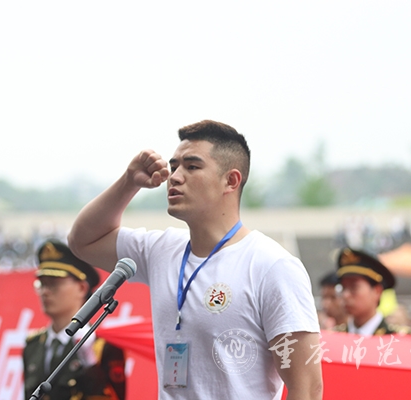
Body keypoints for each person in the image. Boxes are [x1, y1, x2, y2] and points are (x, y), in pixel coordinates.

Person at [68, 120, 322, 399]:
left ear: (231, 180)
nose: (175, 177)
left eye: (192, 167)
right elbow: (82, 241)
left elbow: (307, 389)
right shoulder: (160, 249)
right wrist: (129, 182)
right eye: (174, 166)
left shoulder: (272, 266)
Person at [23, 240, 126, 400]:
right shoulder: (33, 346)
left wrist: (90, 364)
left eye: (54, 284)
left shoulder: (102, 346)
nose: (45, 292)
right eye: (42, 284)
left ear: (82, 288)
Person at [333, 247, 411, 336]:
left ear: (377, 291)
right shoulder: (334, 337)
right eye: (343, 288)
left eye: (354, 287)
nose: (345, 295)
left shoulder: (398, 338)